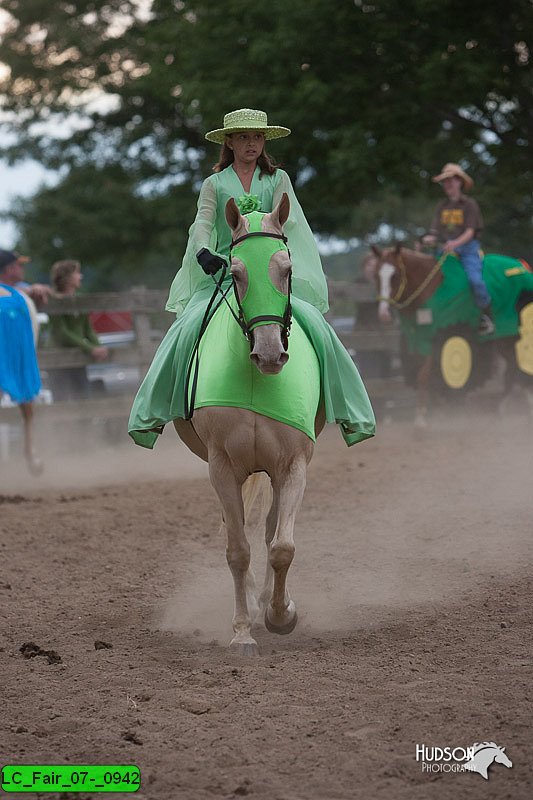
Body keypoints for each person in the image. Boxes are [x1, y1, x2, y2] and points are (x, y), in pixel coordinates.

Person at [129, 108, 375, 447]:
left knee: (318, 326)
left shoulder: (278, 180)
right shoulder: (213, 184)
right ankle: (154, 411)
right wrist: (203, 250)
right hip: (226, 273)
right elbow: (203, 222)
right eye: (244, 137)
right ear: (229, 142)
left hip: (269, 275)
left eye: (257, 137)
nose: (251, 143)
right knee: (184, 329)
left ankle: (350, 409)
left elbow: (283, 222)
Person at [422, 162, 494, 335]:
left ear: (459, 182)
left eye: (451, 180)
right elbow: (435, 232)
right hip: (446, 250)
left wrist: (455, 243)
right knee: (429, 278)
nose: (448, 184)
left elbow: (470, 232)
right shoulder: (442, 206)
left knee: (475, 280)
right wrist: (425, 239)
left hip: (468, 249)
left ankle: (486, 315)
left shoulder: (469, 204)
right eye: (445, 181)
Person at [47, 259, 108, 400]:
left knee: (83, 395)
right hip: (58, 357)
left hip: (78, 354)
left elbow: (88, 329)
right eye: (77, 273)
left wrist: (98, 346)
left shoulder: (79, 300)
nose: (80, 276)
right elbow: (62, 333)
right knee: (61, 398)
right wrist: (90, 348)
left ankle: (84, 421)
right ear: (67, 277)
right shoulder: (55, 301)